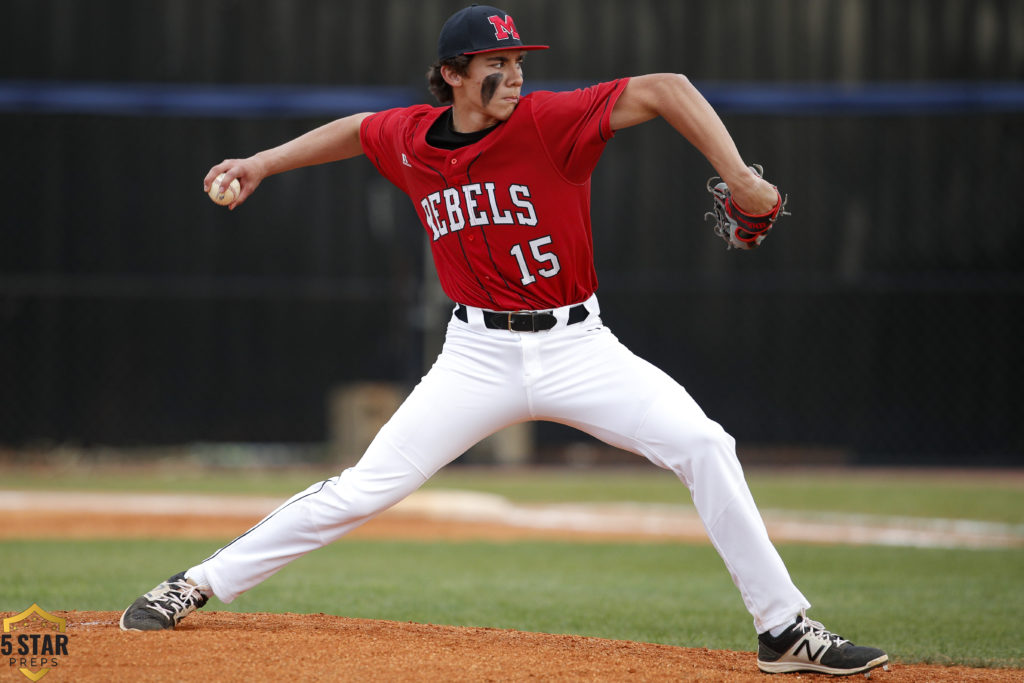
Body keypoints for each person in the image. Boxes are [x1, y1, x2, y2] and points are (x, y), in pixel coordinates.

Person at [120, 5, 888, 676]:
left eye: (519, 61)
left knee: (705, 443)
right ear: (453, 73)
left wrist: (743, 179)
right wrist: (260, 162)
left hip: (579, 347)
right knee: (362, 488)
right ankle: (196, 582)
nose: (516, 75)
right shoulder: (412, 138)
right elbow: (357, 130)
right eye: (498, 63)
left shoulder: (550, 122)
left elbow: (666, 88)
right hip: (475, 357)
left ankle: (783, 628)